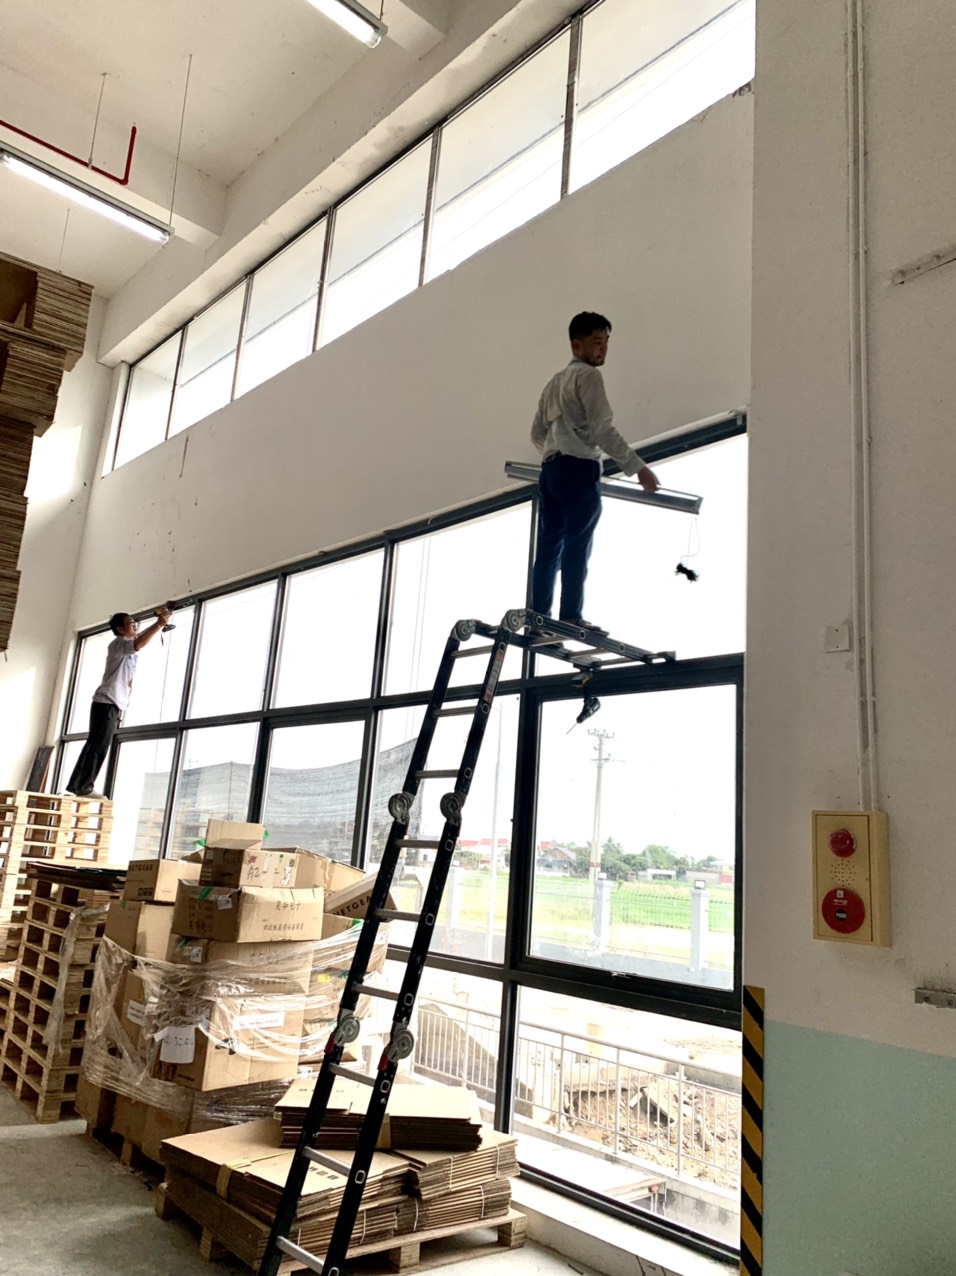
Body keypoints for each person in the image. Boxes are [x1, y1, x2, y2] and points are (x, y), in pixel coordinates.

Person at [529, 312, 660, 633]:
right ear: (577, 345)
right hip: (579, 468)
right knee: (578, 543)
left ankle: (537, 619)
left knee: (548, 547)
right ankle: (570, 615)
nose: (603, 349)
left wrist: (556, 451)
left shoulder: (553, 383)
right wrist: (638, 467)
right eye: (597, 342)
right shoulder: (588, 377)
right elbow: (602, 430)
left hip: (550, 471)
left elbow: (536, 433)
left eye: (606, 342)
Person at [65, 608, 172, 797]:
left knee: (95, 744)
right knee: (99, 746)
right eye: (131, 623)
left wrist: (158, 624)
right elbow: (138, 643)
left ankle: (77, 785)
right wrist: (158, 625)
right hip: (107, 702)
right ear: (120, 629)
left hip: (110, 704)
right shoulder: (118, 644)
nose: (135, 626)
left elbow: (139, 640)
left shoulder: (125, 648)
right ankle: (84, 787)